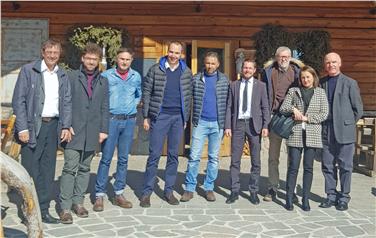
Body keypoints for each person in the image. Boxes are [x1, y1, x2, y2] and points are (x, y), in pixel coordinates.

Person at [12, 39, 72, 224]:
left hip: (52, 126)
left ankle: (43, 210)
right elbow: (18, 101)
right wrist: (22, 127)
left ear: (59, 54)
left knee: (47, 170)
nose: (52, 56)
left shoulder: (62, 75)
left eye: (56, 52)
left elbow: (67, 102)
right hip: (31, 127)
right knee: (30, 170)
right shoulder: (29, 70)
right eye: (49, 52)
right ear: (43, 52)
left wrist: (65, 125)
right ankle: (28, 210)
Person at [59, 43, 109, 224]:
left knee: (85, 168)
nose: (90, 62)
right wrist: (66, 125)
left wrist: (104, 130)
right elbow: (65, 102)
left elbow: (105, 107)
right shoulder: (71, 77)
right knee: (70, 168)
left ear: (98, 62)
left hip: (93, 131)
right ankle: (65, 207)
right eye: (88, 58)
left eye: (94, 59)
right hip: (73, 130)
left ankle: (78, 202)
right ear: (82, 58)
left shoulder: (103, 81)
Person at [140, 41, 192, 207]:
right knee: (154, 154)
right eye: (171, 52)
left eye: (177, 53)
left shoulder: (186, 72)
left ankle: (168, 191)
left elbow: (188, 96)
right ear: (167, 52)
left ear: (181, 54)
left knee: (173, 156)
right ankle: (146, 192)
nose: (173, 55)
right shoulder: (156, 69)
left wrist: (185, 118)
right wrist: (146, 116)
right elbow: (146, 92)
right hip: (160, 116)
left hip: (177, 117)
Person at [93, 48, 142, 212]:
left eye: (127, 59)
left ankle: (119, 193)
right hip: (111, 121)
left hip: (128, 121)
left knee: (123, 159)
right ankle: (99, 194)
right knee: (106, 158)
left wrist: (132, 107)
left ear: (131, 61)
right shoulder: (106, 76)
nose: (124, 62)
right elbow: (99, 98)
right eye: (122, 59)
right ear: (116, 59)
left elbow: (138, 94)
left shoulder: (136, 77)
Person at [180, 51, 228, 203]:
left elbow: (229, 103)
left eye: (213, 63)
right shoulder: (196, 79)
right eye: (208, 63)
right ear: (204, 63)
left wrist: (227, 124)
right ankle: (189, 188)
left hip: (217, 124)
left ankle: (209, 187)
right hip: (200, 122)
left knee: (213, 158)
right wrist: (186, 119)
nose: (210, 66)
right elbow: (188, 99)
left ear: (218, 64)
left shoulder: (224, 80)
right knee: (194, 157)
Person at [279, 66, 328, 211]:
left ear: (313, 77)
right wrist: (293, 109)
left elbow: (324, 113)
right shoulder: (294, 91)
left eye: (308, 77)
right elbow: (283, 108)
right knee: (293, 167)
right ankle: (289, 198)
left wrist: (307, 118)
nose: (305, 80)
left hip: (312, 134)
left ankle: (305, 199)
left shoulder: (320, 93)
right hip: (295, 133)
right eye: (303, 77)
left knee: (308, 168)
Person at [319, 52, 363, 211]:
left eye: (334, 62)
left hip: (344, 131)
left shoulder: (350, 83)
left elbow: (358, 110)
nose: (331, 65)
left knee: (345, 166)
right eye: (328, 62)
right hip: (326, 130)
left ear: (340, 63)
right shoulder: (321, 83)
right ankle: (331, 195)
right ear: (325, 65)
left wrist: (347, 123)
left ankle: (344, 197)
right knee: (327, 165)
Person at [224, 59, 270, 205]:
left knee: (256, 161)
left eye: (250, 68)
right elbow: (229, 107)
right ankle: (234, 190)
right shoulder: (234, 85)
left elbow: (265, 107)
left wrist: (265, 125)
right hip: (237, 124)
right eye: (245, 68)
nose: (247, 70)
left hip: (254, 125)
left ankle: (253, 191)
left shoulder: (261, 86)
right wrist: (228, 126)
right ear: (241, 69)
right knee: (235, 160)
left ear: (254, 70)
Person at [261, 46, 302, 202]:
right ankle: (272, 187)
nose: (283, 59)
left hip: (293, 119)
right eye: (280, 56)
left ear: (290, 57)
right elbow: (264, 97)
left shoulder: (298, 73)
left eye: (286, 56)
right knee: (273, 157)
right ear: (276, 57)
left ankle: (291, 189)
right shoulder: (269, 73)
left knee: (293, 157)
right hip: (275, 118)